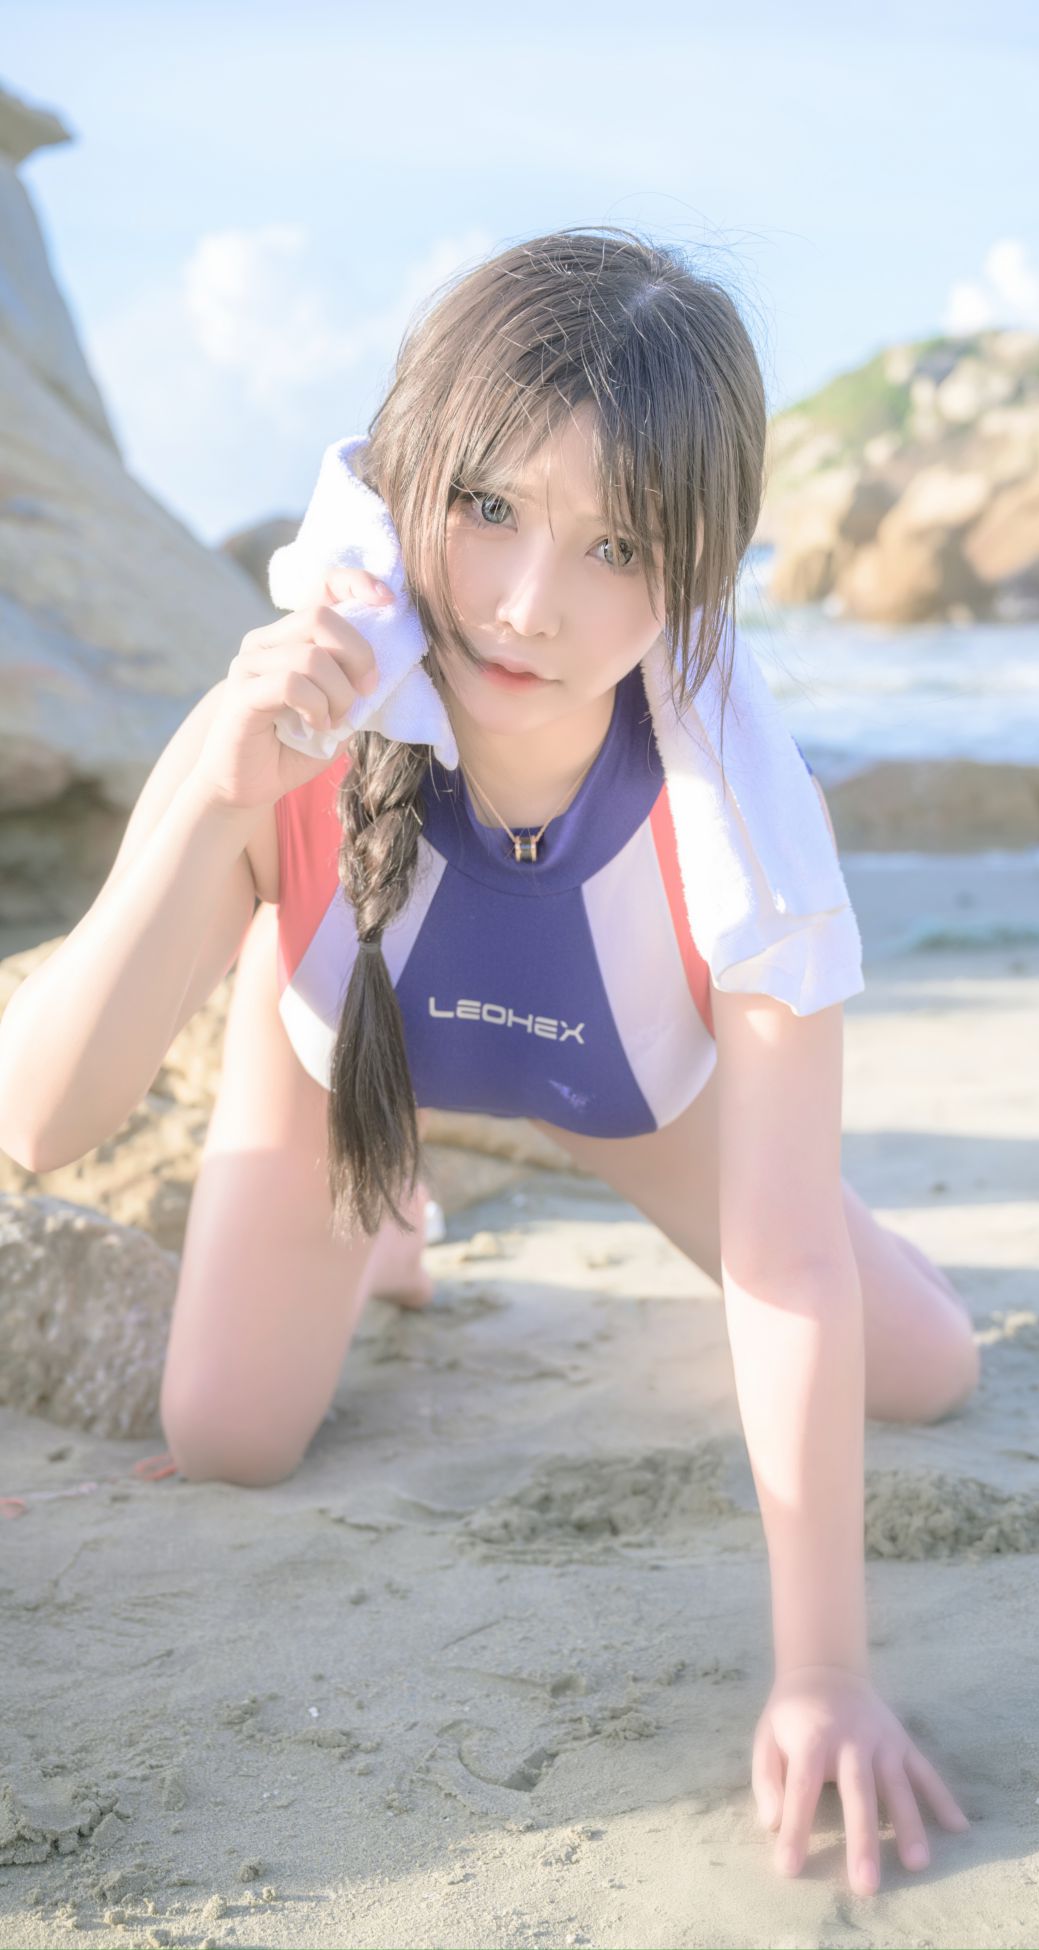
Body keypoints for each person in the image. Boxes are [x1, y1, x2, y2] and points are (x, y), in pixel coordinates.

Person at [0, 226, 977, 1899]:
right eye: (489, 507)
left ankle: (442, 1182)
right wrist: (207, 801)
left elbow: (787, 1270)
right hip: (348, 1048)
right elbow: (38, 1122)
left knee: (931, 1368)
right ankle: (382, 1184)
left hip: (634, 1091)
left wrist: (822, 1669)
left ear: (702, 561)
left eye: (617, 542)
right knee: (228, 1433)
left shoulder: (739, 814)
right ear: (408, 479)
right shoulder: (295, 709)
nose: (530, 603)